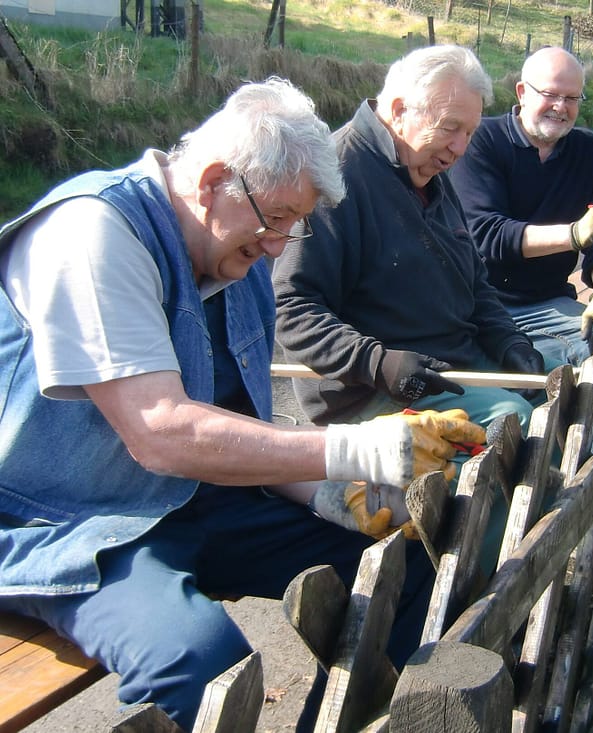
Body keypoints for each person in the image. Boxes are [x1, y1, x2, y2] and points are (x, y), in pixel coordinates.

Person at [0, 77, 485, 731]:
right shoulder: (94, 233)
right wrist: (363, 447)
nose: (282, 246)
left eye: (296, 224)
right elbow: (162, 433)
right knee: (204, 667)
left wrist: (329, 491)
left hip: (193, 499)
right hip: (69, 523)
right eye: (279, 218)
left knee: (404, 568)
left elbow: (235, 430)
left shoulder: (236, 250)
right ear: (213, 183)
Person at [273, 45, 551, 436]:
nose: (460, 148)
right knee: (518, 426)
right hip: (375, 390)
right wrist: (379, 363)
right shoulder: (335, 176)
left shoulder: (427, 170)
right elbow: (291, 307)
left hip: (459, 359)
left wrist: (509, 343)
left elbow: (474, 283)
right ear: (401, 110)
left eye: (469, 132)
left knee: (561, 376)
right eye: (450, 128)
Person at [449, 46, 593, 366]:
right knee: (554, 368)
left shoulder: (590, 151)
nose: (560, 108)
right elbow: (486, 235)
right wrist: (574, 234)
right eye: (550, 94)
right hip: (481, 307)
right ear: (522, 92)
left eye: (572, 98)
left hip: (551, 301)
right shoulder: (482, 140)